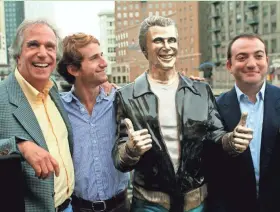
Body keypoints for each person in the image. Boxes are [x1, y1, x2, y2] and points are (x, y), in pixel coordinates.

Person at [111, 15, 253, 212]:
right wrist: (130, 150)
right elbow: (119, 160)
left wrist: (232, 141)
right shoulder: (126, 96)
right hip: (150, 204)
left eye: (172, 40)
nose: (167, 46)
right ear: (144, 49)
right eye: (158, 40)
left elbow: (216, 135)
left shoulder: (201, 91)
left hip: (195, 203)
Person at [0, 20, 74, 212]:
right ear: (18, 55)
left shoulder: (53, 90)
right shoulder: (2, 96)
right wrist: (19, 146)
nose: (43, 53)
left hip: (67, 206)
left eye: (49, 46)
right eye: (33, 44)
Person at [207, 33, 280, 212]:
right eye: (242, 57)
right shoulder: (213, 108)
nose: (251, 63)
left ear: (267, 61)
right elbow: (209, 164)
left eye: (258, 56)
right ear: (229, 66)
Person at [57, 33, 130, 212]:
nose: (104, 63)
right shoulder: (58, 108)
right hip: (78, 207)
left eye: (102, 55)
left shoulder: (120, 99)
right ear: (73, 69)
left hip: (121, 206)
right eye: (95, 58)